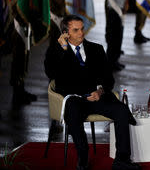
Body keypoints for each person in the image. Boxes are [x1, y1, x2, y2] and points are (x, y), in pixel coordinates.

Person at [44, 15, 141, 170]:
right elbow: (52, 73)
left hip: (96, 97)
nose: (81, 33)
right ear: (65, 33)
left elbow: (109, 79)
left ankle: (122, 160)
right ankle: (83, 159)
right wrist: (63, 49)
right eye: (76, 30)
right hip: (74, 99)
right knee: (73, 112)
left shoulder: (96, 49)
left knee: (122, 110)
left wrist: (100, 91)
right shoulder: (55, 51)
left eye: (82, 29)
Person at [105, 0, 131, 71]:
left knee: (117, 37)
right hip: (114, 13)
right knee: (114, 38)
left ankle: (115, 60)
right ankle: (111, 62)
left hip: (117, 12)